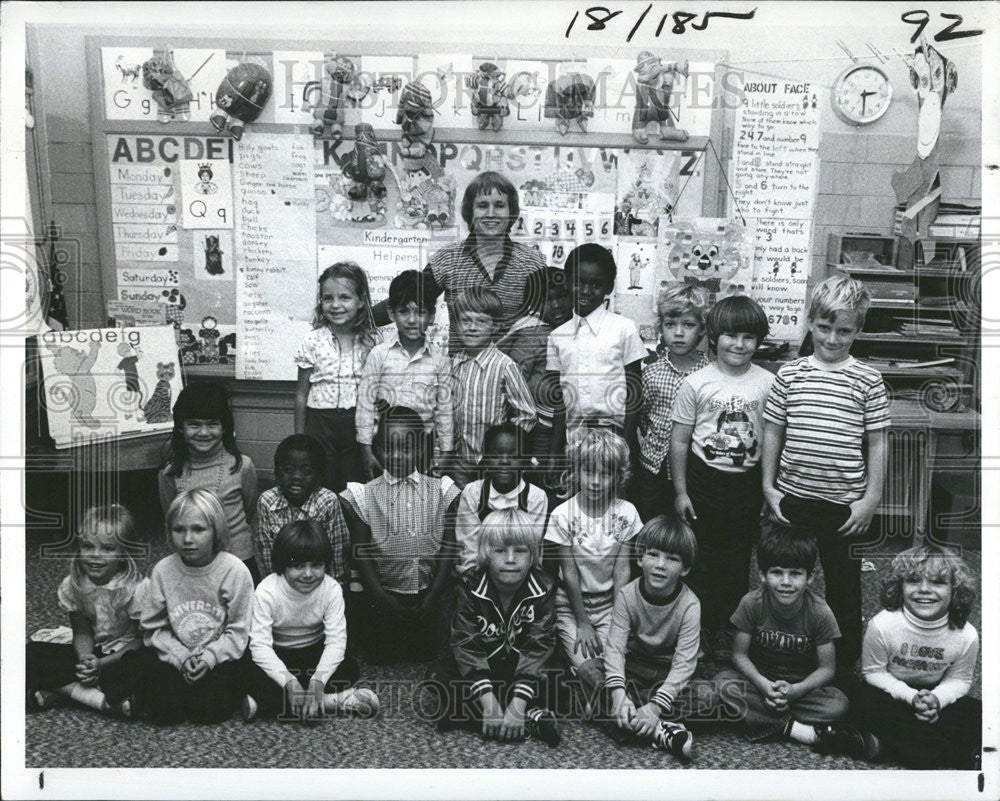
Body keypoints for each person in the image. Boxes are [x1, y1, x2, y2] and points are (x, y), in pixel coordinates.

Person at [762, 275, 890, 682]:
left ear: (858, 330)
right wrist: (769, 487)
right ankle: (783, 654)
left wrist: (870, 499)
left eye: (844, 330)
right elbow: (773, 432)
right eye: (824, 327)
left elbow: (878, 443)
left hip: (845, 504)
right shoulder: (790, 374)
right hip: (794, 499)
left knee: (843, 590)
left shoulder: (868, 380)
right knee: (785, 578)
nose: (833, 338)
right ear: (810, 322)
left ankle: (842, 667)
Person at [670, 295, 774, 658]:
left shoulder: (768, 383)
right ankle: (695, 631)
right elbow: (680, 441)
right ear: (714, 337)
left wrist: (767, 489)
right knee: (700, 559)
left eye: (748, 337)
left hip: (746, 482)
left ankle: (731, 632)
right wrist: (681, 491)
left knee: (737, 560)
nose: (739, 344)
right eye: (730, 335)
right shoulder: (696, 383)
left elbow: (773, 439)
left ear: (759, 341)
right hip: (703, 481)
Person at [714, 529, 861, 755]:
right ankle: (795, 729)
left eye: (795, 574)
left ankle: (762, 718)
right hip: (760, 680)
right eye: (776, 572)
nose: (785, 582)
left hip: (800, 685)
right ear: (762, 574)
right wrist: (763, 685)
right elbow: (738, 655)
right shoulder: (751, 603)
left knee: (839, 704)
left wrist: (796, 690)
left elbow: (826, 669)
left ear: (810, 577)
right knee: (723, 682)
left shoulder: (820, 612)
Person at [423, 508, 561, 746]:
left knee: (560, 679)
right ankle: (529, 717)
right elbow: (466, 646)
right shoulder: (469, 588)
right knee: (436, 677)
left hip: (524, 669)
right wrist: (488, 701)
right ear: (486, 553)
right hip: (484, 669)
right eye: (500, 550)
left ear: (532, 555)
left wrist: (517, 702)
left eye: (520, 550)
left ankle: (475, 716)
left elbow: (539, 647)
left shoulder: (544, 589)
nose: (510, 559)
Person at [371, 171, 546, 353]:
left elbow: (554, 318)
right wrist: (357, 318)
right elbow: (408, 298)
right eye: (482, 206)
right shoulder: (448, 259)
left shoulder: (532, 262)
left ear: (512, 212)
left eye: (500, 205)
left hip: (516, 373)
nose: (491, 213)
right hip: (459, 374)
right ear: (470, 211)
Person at [340, 406, 461, 663]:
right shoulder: (366, 494)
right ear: (376, 447)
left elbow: (448, 548)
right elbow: (360, 553)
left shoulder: (440, 490)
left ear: (420, 449)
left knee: (422, 655)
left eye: (406, 449)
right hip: (382, 595)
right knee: (381, 657)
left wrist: (433, 594)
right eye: (387, 448)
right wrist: (381, 596)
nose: (396, 456)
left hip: (427, 595)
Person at [853, 545, 980, 769]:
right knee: (860, 702)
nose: (924, 589)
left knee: (980, 714)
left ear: (955, 589)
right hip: (892, 693)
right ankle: (952, 753)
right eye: (913, 580)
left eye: (937, 582)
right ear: (899, 586)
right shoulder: (882, 624)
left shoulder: (967, 635)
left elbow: (960, 680)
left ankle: (886, 746)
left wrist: (938, 700)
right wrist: (910, 696)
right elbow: (873, 672)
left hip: (935, 696)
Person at [133, 489, 253, 724]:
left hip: (220, 656)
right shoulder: (162, 570)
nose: (188, 539)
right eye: (179, 530)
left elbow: (239, 630)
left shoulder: (235, 570)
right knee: (164, 712)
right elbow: (153, 628)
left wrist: (209, 658)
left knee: (209, 712)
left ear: (216, 531)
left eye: (198, 529)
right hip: (174, 654)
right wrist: (180, 658)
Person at [242, 520, 379, 723]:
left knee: (348, 668)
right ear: (282, 564)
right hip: (278, 654)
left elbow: (336, 642)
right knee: (246, 672)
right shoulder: (266, 590)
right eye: (297, 566)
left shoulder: (331, 589)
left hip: (313, 654)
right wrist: (290, 683)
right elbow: (261, 646)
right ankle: (335, 701)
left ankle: (268, 705)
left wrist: (317, 682)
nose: (308, 574)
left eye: (316, 565)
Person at [544, 428, 642, 709]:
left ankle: (601, 702)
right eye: (589, 472)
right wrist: (584, 623)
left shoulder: (627, 513)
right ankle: (617, 704)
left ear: (618, 476)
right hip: (572, 608)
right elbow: (570, 573)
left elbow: (623, 571)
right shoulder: (562, 514)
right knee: (588, 664)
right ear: (576, 472)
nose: (596, 481)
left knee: (618, 659)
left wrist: (620, 623)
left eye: (605, 473)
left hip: (611, 605)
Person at [26, 505, 148, 719]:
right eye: (88, 546)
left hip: (122, 655)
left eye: (107, 549)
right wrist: (86, 661)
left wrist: (102, 665)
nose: (95, 556)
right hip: (93, 651)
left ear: (123, 554)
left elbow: (141, 641)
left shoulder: (137, 588)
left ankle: (67, 692)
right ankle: (102, 700)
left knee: (145, 668)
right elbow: (81, 632)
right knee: (28, 654)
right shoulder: (74, 585)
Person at [600, 514, 701, 760]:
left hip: (667, 672)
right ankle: (660, 730)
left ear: (685, 568)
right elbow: (614, 648)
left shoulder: (690, 605)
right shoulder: (627, 595)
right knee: (587, 671)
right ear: (640, 558)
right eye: (653, 554)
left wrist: (656, 705)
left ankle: (631, 720)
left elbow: (684, 664)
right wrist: (618, 693)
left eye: (672, 559)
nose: (660, 565)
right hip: (636, 668)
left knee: (714, 693)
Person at [546, 243, 646, 463]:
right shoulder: (557, 337)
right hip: (575, 442)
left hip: (616, 438)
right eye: (578, 283)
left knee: (615, 497)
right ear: (567, 283)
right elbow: (560, 401)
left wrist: (627, 445)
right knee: (578, 496)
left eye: (595, 284)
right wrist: (554, 454)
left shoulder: (624, 328)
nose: (585, 291)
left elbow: (635, 391)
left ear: (609, 287)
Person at [158, 382, 260, 584]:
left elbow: (250, 510)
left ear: (224, 427)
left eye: (212, 423)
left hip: (239, 559)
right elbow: (171, 518)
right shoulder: (169, 473)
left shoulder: (242, 466)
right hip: (193, 562)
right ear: (180, 427)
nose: (204, 433)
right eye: (194, 424)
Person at [356, 270, 453, 479]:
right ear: (391, 313)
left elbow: (444, 411)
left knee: (420, 503)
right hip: (385, 446)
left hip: (422, 449)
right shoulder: (378, 355)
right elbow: (365, 404)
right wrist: (365, 449)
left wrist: (445, 452)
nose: (411, 320)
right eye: (403, 311)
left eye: (419, 312)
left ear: (432, 315)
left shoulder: (440, 360)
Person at [294, 262, 378, 491]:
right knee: (321, 484)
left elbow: (374, 394)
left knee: (355, 487)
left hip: (356, 424)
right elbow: (302, 394)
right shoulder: (312, 341)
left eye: (344, 297)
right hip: (319, 424)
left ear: (361, 301)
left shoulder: (371, 343)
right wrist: (299, 439)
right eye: (328, 298)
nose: (336, 305)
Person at [449, 286, 537, 485]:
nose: (472, 328)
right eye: (465, 320)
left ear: (495, 327)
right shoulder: (453, 364)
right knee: (463, 510)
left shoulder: (504, 366)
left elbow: (528, 414)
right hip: (460, 462)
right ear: (456, 324)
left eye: (481, 321)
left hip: (494, 466)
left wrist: (503, 448)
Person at [635, 284, 709, 521]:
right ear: (661, 328)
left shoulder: (710, 375)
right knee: (652, 525)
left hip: (693, 471)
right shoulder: (651, 373)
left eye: (688, 325)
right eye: (670, 324)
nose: (678, 333)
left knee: (687, 529)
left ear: (701, 330)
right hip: (651, 468)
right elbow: (644, 420)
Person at [496, 266, 572, 489]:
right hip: (539, 427)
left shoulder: (574, 331)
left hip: (568, 426)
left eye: (562, 297)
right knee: (541, 484)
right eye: (547, 300)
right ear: (534, 305)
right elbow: (516, 381)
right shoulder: (531, 334)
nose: (556, 305)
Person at [254, 434, 350, 588]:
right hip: (281, 589)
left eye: (307, 472)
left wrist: (335, 590)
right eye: (288, 470)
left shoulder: (328, 501)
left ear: (319, 476)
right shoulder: (267, 502)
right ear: (276, 473)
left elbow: (337, 554)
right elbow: (266, 556)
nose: (296, 477)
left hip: (321, 588)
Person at [454, 423, 548, 578]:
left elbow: (532, 548)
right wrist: (474, 578)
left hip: (521, 575)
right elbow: (468, 546)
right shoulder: (473, 493)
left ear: (526, 462)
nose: (504, 461)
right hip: (478, 573)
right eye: (496, 455)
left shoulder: (535, 497)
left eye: (514, 456)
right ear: (486, 459)